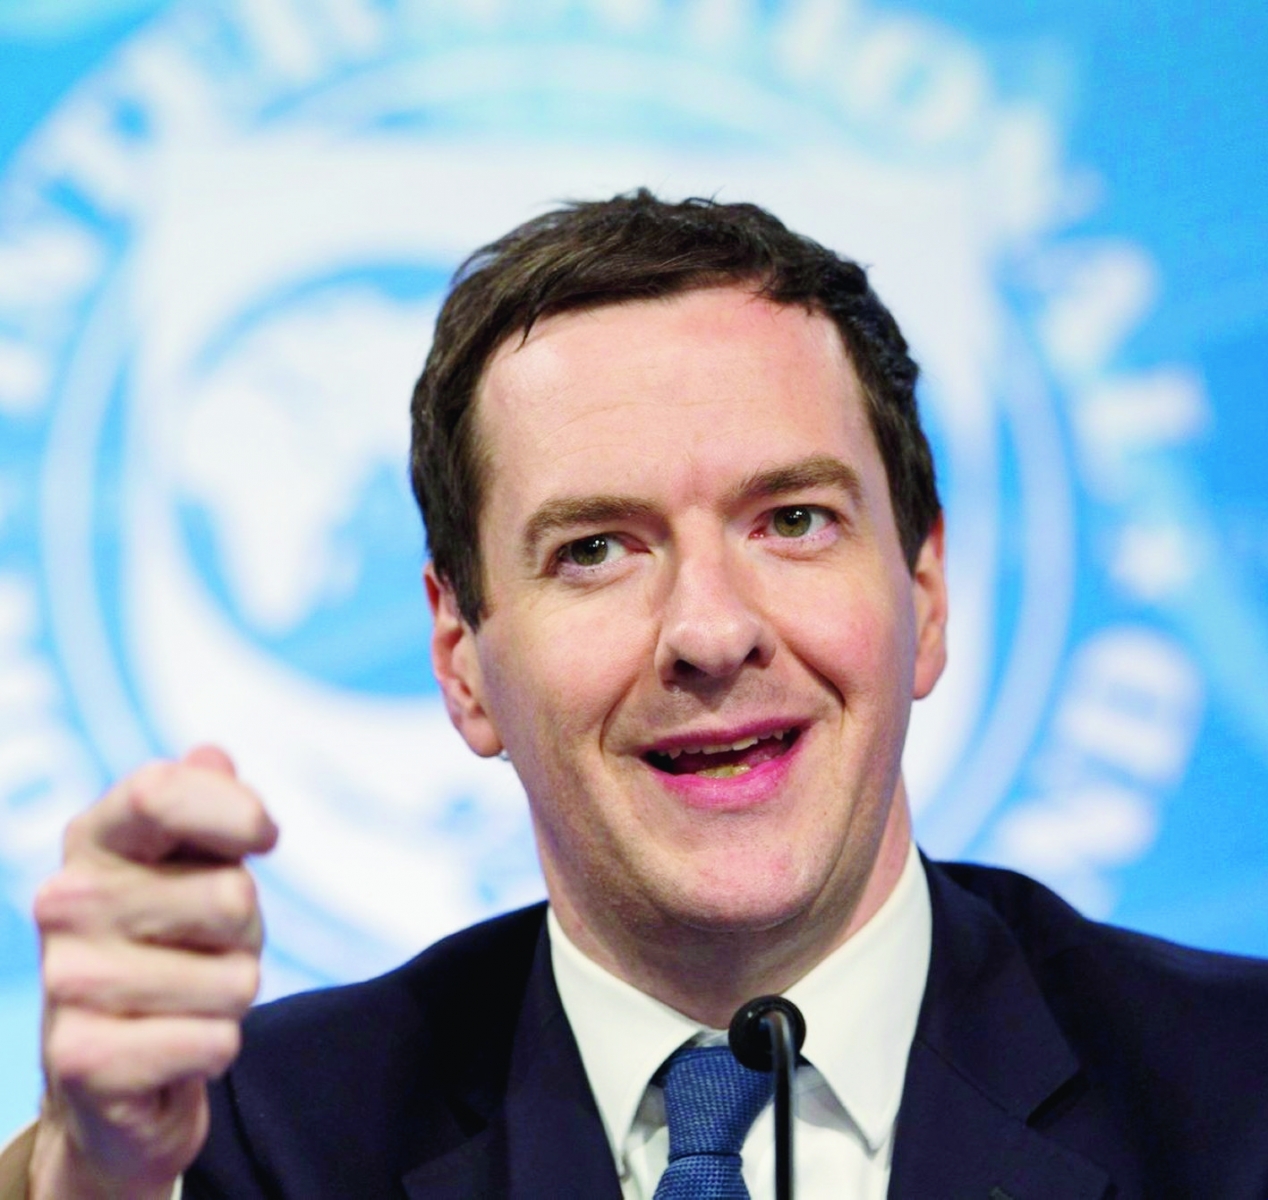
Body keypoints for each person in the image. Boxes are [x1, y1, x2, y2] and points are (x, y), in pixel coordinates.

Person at [5, 191, 1268, 1199]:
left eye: (791, 519)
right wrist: (89, 1182)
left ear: (924, 590)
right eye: (594, 549)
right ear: (461, 659)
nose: (710, 634)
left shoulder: (1236, 1094)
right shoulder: (248, 1143)